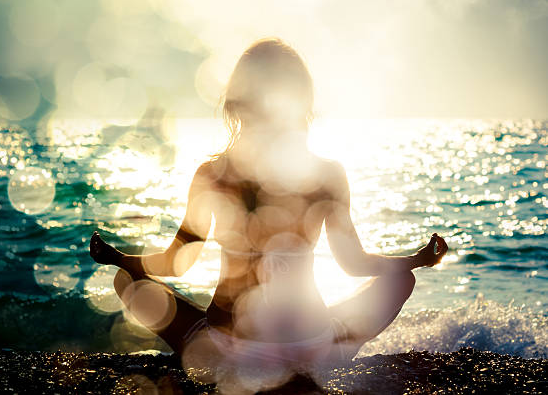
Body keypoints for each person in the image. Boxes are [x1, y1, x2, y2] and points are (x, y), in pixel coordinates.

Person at [90, 38, 448, 380]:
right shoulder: (328, 174)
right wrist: (417, 258)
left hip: (227, 351)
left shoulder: (212, 174)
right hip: (312, 349)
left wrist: (119, 259)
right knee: (402, 279)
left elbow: (177, 264)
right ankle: (321, 355)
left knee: (129, 283)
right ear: (300, 100)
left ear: (238, 100)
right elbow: (352, 264)